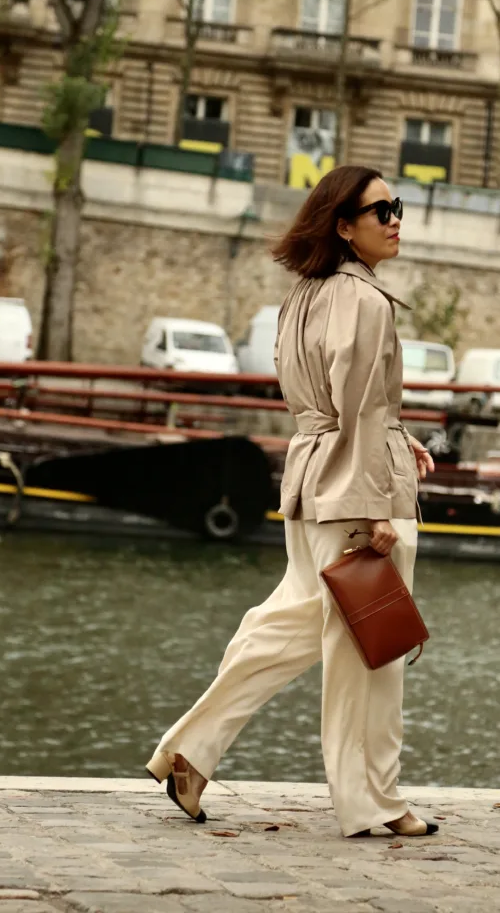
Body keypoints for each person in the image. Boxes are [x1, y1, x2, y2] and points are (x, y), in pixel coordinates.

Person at [146, 165, 437, 838]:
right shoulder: (365, 301)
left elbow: (338, 403)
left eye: (398, 207)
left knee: (295, 623)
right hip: (356, 490)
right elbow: (359, 406)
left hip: (314, 477)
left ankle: (191, 750)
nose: (396, 220)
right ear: (343, 226)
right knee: (371, 650)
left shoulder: (303, 297)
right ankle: (375, 800)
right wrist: (373, 508)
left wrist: (400, 439)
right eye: (380, 211)